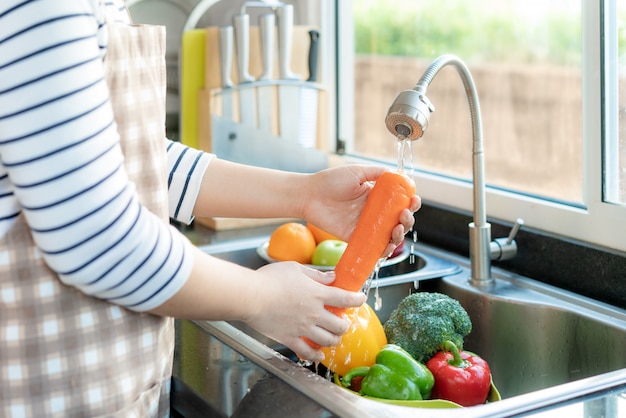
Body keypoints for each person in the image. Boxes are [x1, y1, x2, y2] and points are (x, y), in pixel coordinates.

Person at [0, 0, 420, 416]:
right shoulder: (46, 7)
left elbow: (141, 161)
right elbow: (97, 238)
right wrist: (262, 297)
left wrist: (306, 195)